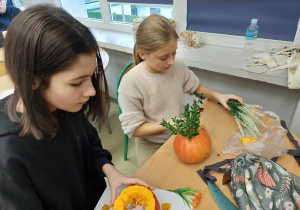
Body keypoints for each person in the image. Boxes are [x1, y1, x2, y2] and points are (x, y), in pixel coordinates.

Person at [0, 5, 153, 209]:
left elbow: (91, 146)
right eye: (76, 83)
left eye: (91, 78)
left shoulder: (65, 106)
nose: (91, 91)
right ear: (34, 79)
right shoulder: (8, 152)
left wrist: (110, 170)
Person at [118, 14, 244, 168]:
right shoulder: (130, 82)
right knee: (157, 181)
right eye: (164, 57)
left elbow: (195, 88)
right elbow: (135, 129)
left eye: (174, 53)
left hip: (179, 133)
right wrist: (169, 123)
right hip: (151, 143)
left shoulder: (177, 66)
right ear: (142, 54)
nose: (171, 61)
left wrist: (219, 96)